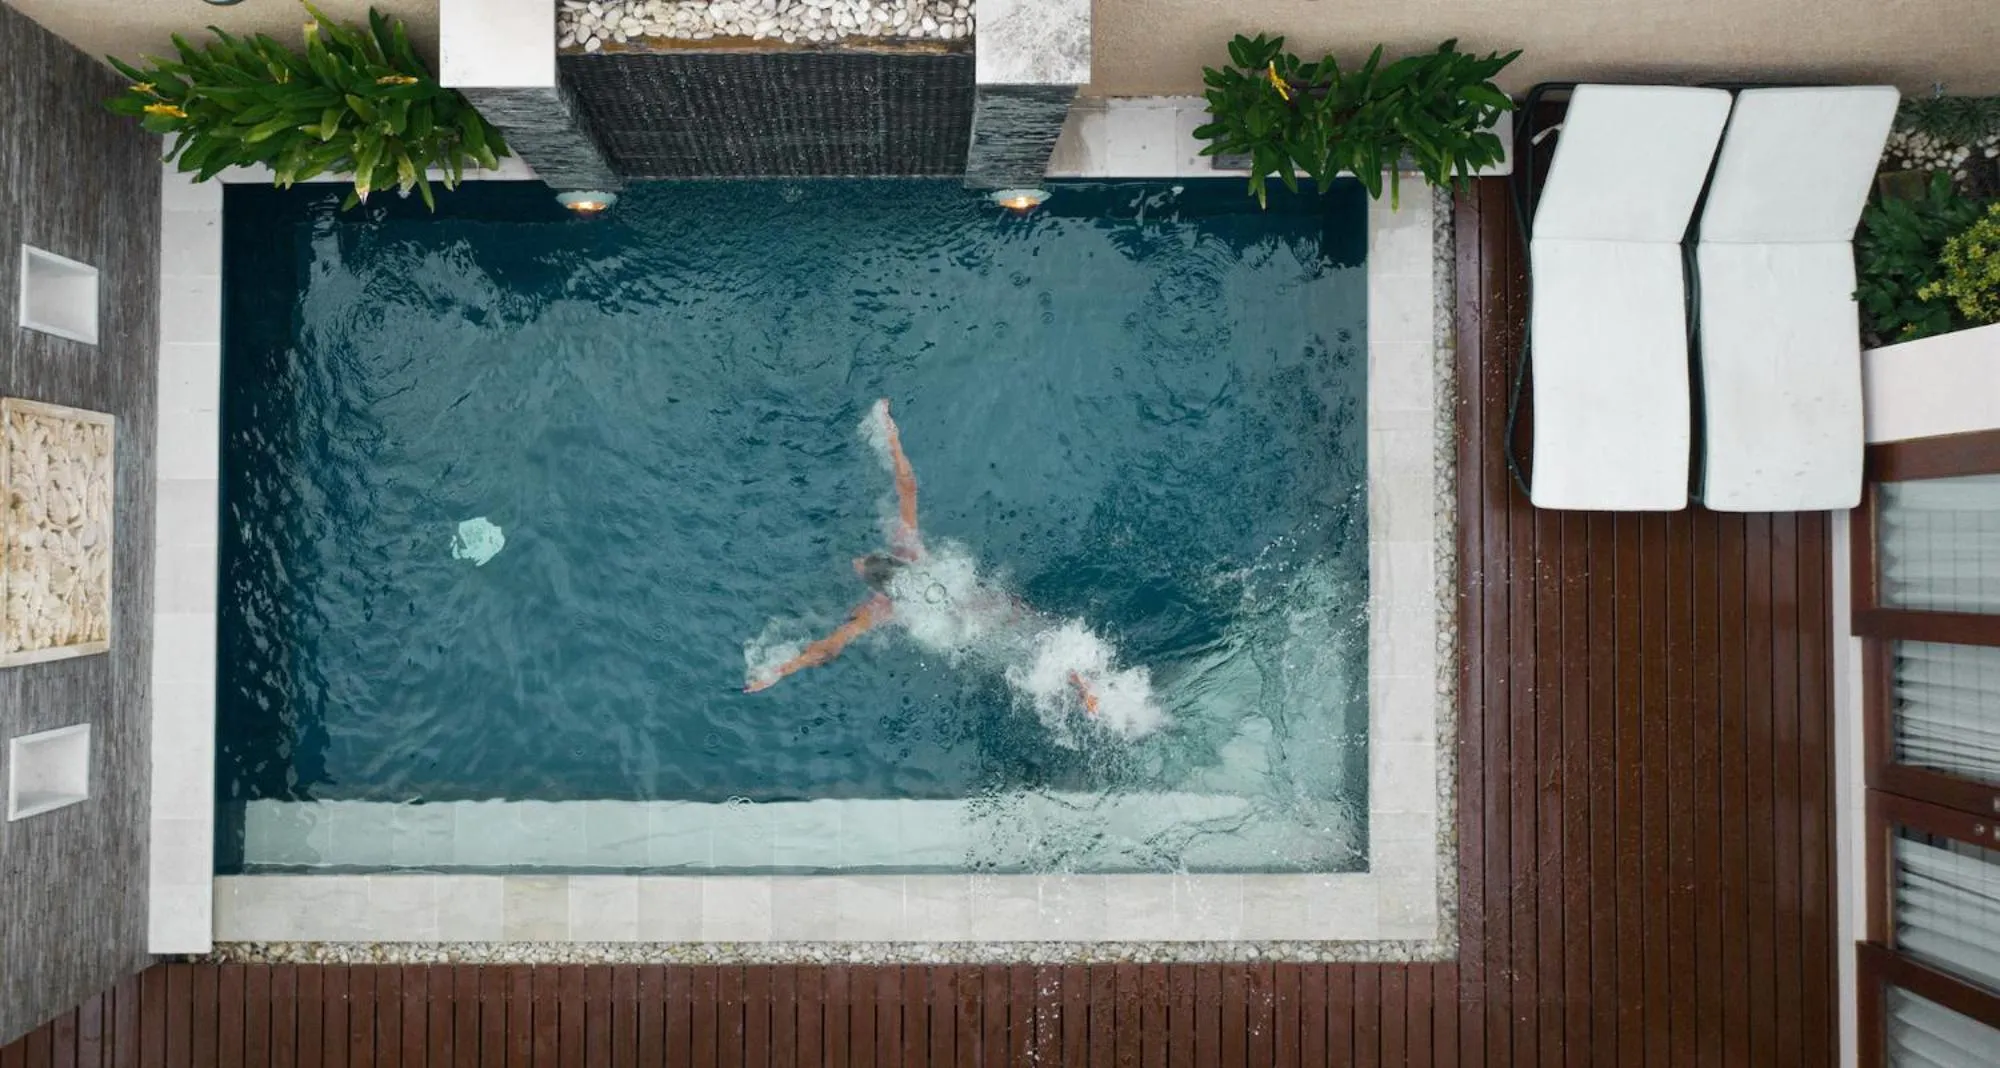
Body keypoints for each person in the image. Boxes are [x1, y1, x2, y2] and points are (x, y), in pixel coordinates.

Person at [744, 399, 1136, 732]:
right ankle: (1082, 678)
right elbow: (908, 487)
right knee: (1035, 633)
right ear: (895, 559)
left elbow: (829, 648)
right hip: (986, 603)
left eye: (862, 565)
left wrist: (779, 671)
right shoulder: (912, 551)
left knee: (1023, 658)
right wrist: (890, 435)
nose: (857, 561)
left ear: (879, 588)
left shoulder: (879, 610)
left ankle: (1080, 687)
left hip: (969, 633)